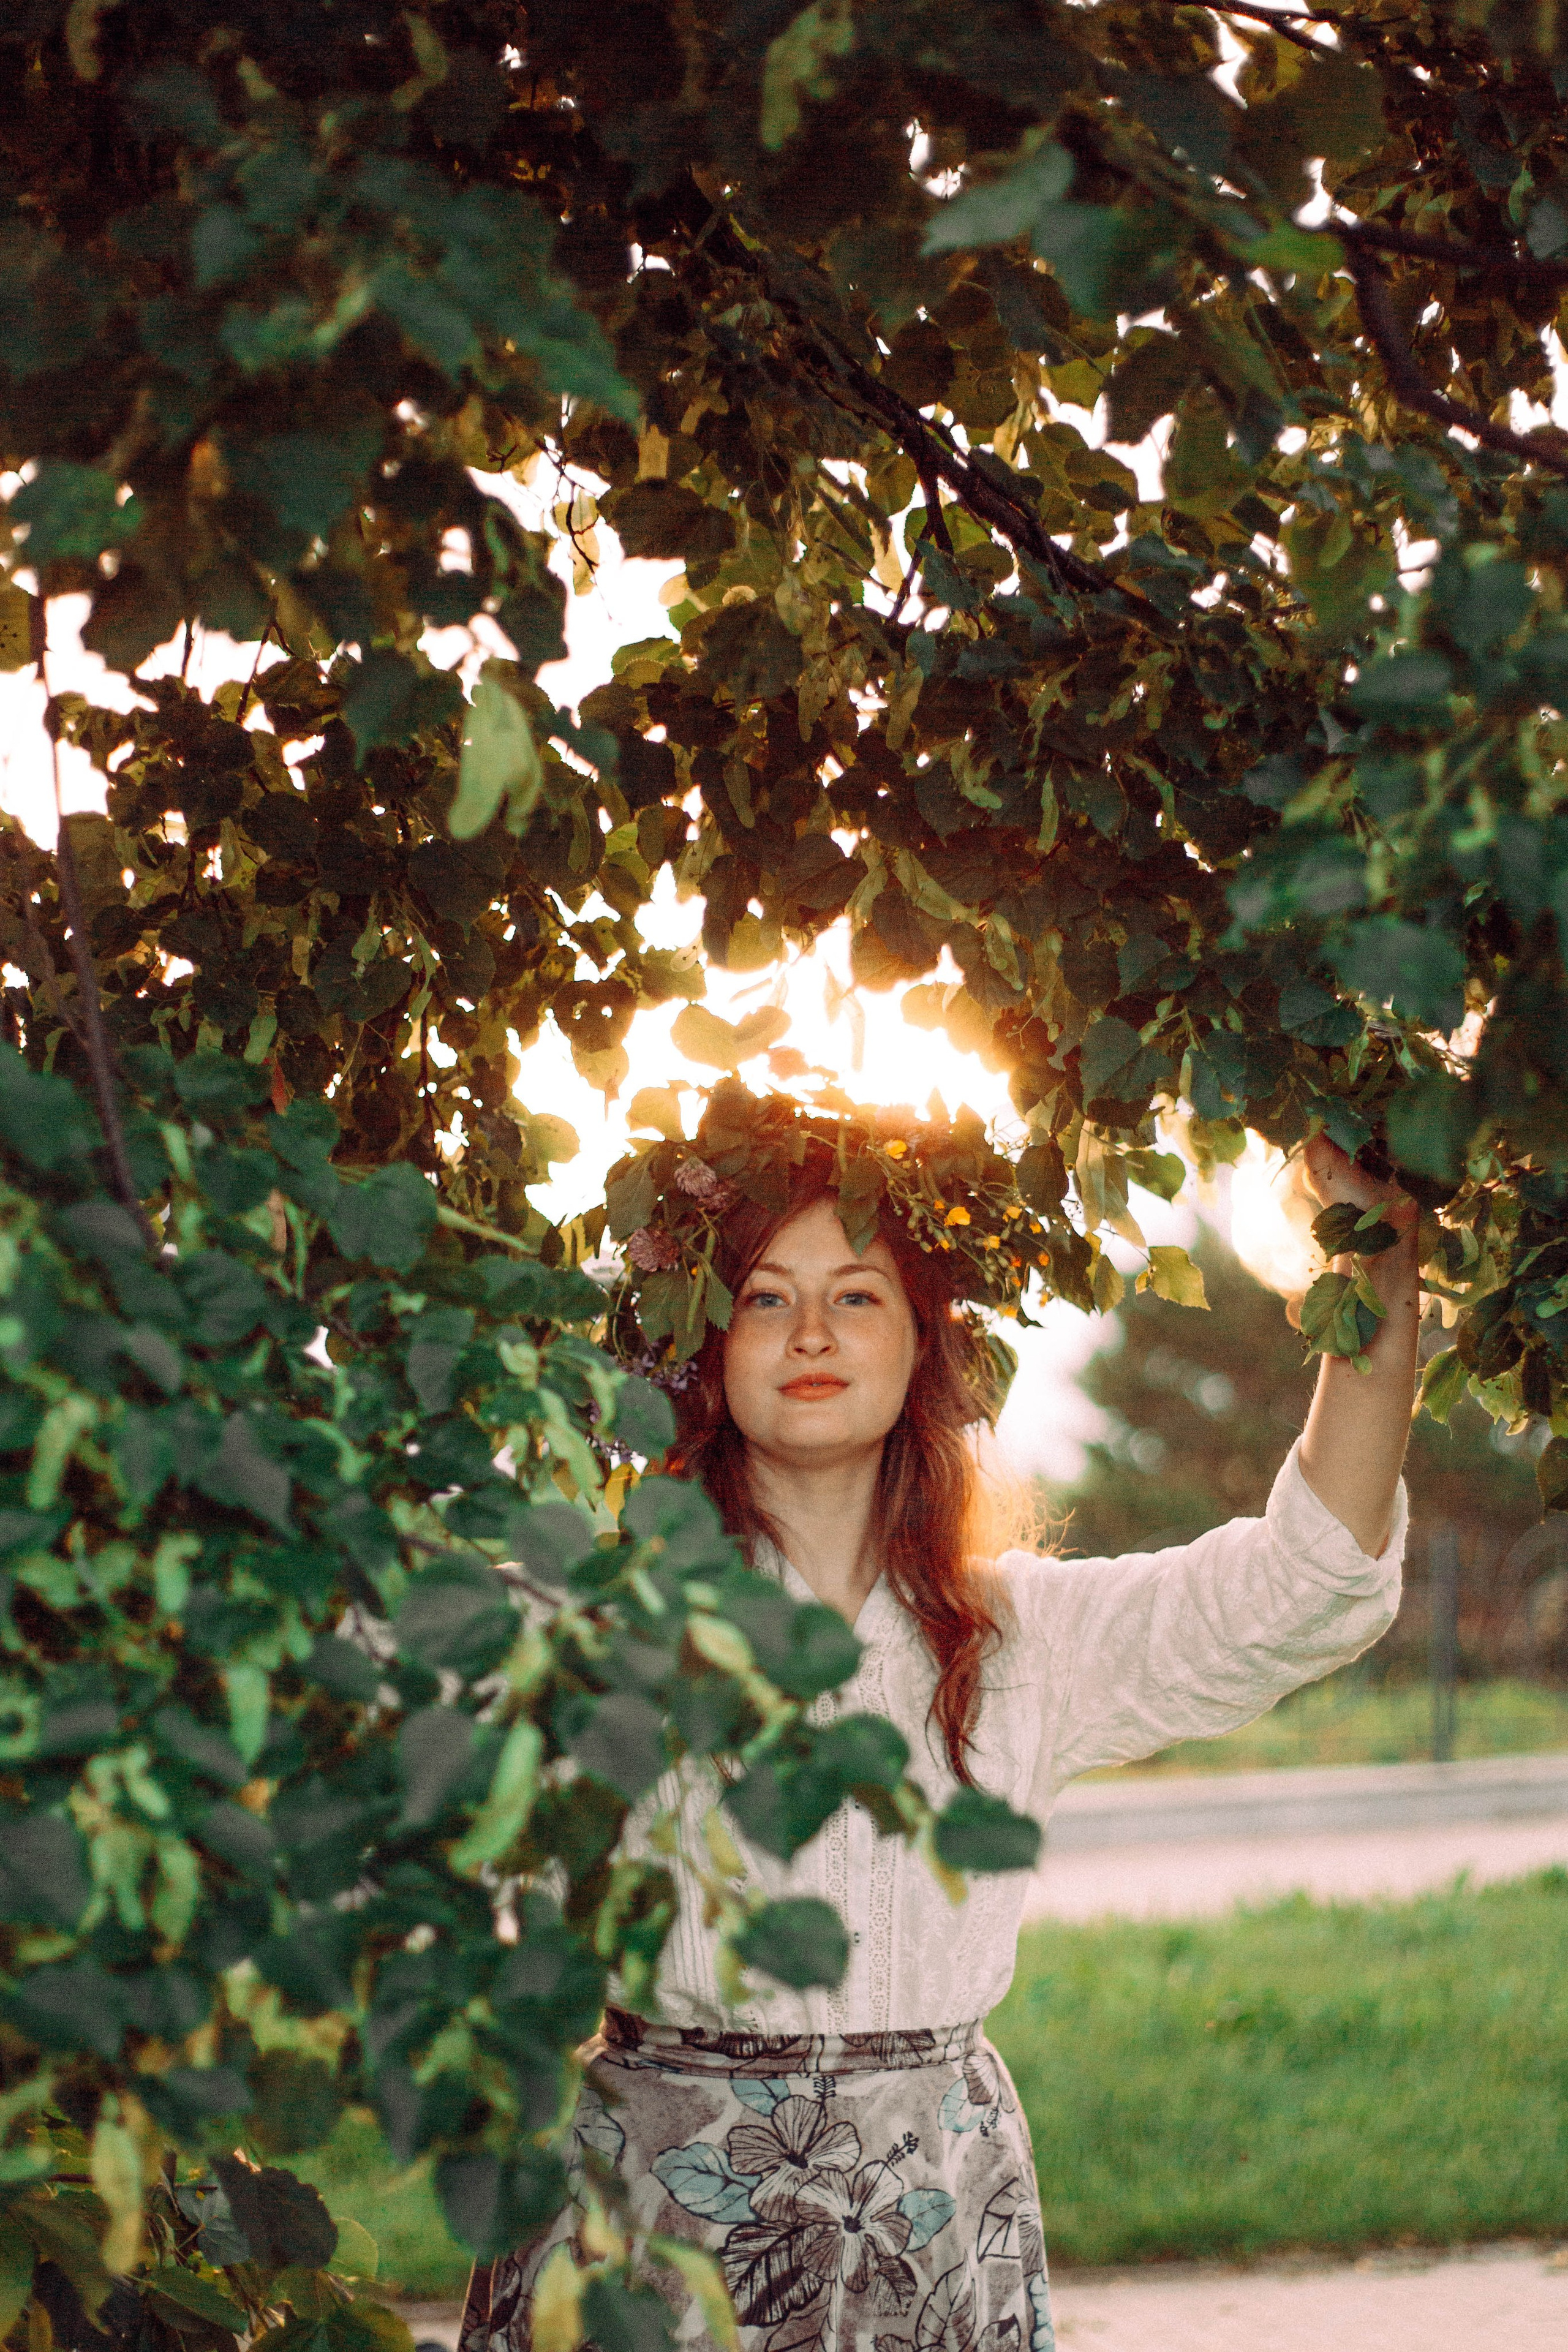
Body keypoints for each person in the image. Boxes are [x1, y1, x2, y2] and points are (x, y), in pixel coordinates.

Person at [461, 1098, 1417, 2352]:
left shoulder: (1020, 1636)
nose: (808, 1331)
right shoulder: (591, 1622)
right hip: (650, 2223)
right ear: (702, 1341)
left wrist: (1380, 1283)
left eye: (853, 1295)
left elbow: (1305, 1587)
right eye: (761, 1297)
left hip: (928, 2219)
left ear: (920, 1339)